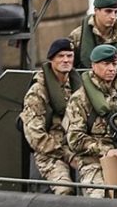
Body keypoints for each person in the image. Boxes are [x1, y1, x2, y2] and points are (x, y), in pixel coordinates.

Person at [63, 44, 117, 198]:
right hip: (93, 161)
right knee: (98, 199)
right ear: (94, 66)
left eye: (114, 64)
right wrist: (107, 150)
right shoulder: (79, 99)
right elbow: (75, 139)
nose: (111, 69)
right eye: (106, 64)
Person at [20, 38, 82, 195]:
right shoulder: (37, 92)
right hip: (49, 153)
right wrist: (65, 155)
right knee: (65, 189)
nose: (66, 60)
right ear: (52, 59)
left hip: (75, 146)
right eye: (61, 56)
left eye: (69, 56)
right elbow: (35, 136)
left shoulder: (76, 87)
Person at [69, 0, 117, 69]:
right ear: (96, 11)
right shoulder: (77, 36)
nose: (113, 16)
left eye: (116, 12)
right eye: (108, 11)